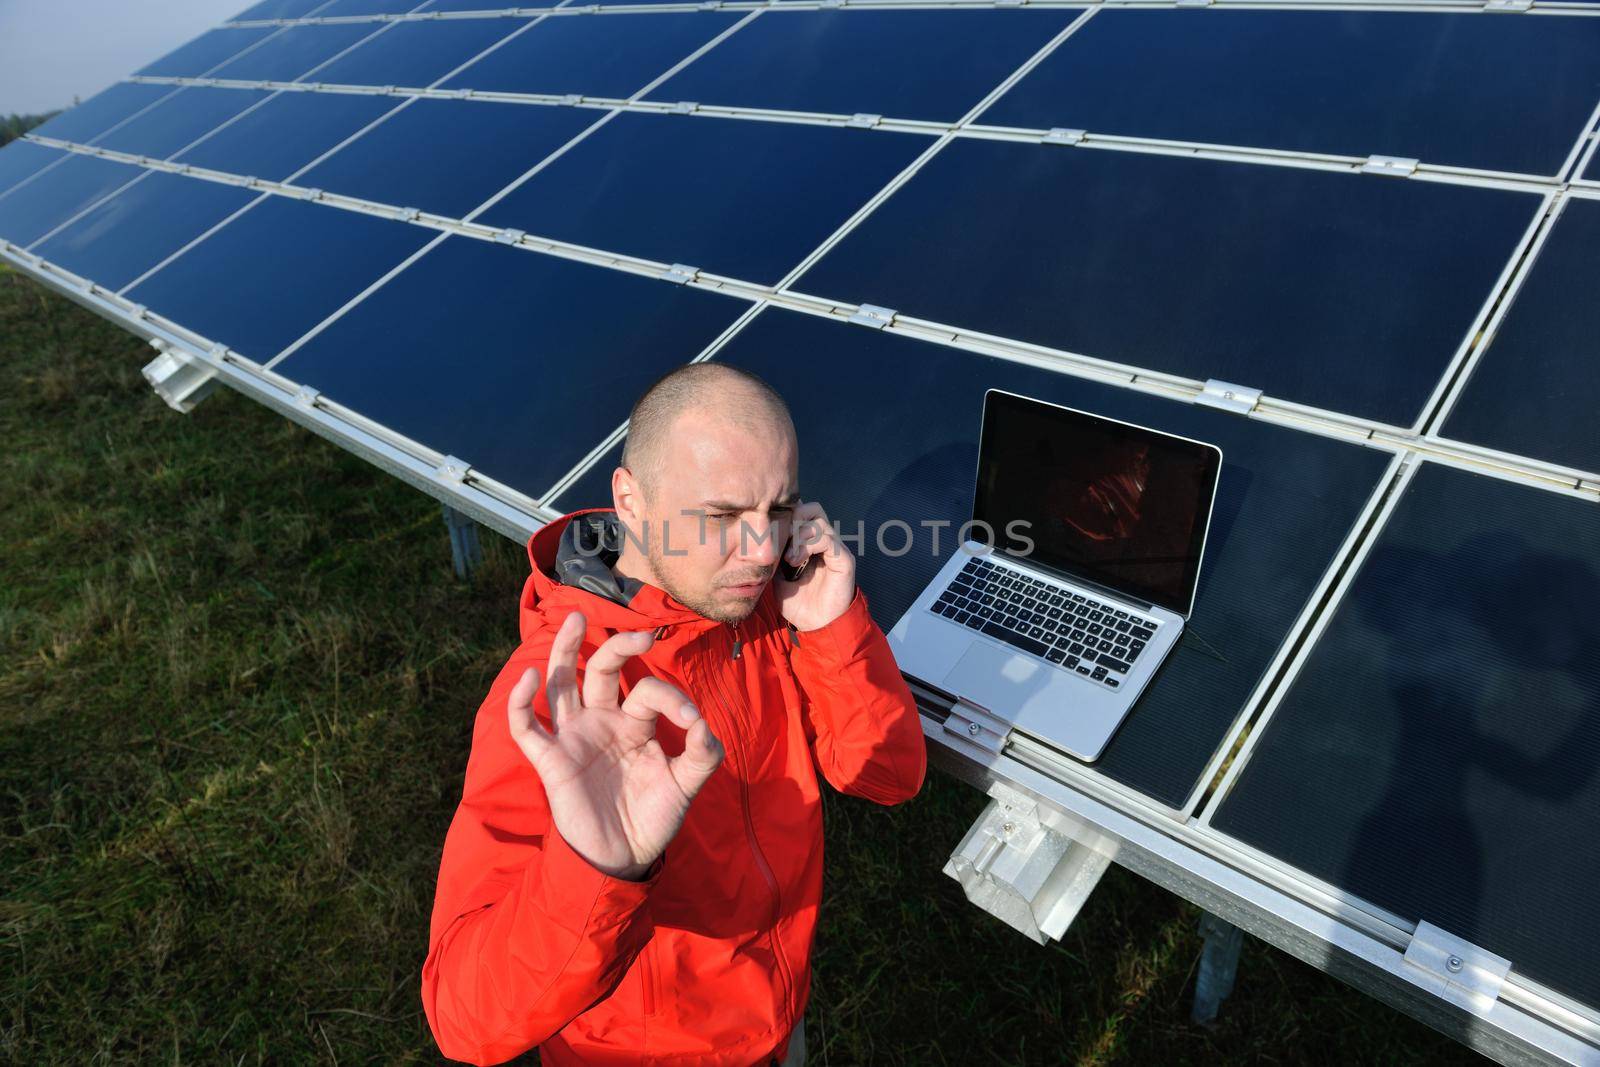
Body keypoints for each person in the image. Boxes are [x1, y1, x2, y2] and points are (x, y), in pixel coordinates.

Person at [422, 363, 928, 1065]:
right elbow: (464, 1018)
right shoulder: (554, 696)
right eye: (722, 516)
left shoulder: (761, 611)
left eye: (780, 509)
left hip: (776, 1022)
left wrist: (832, 627)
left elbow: (888, 775)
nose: (760, 550)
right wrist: (598, 866)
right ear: (630, 499)